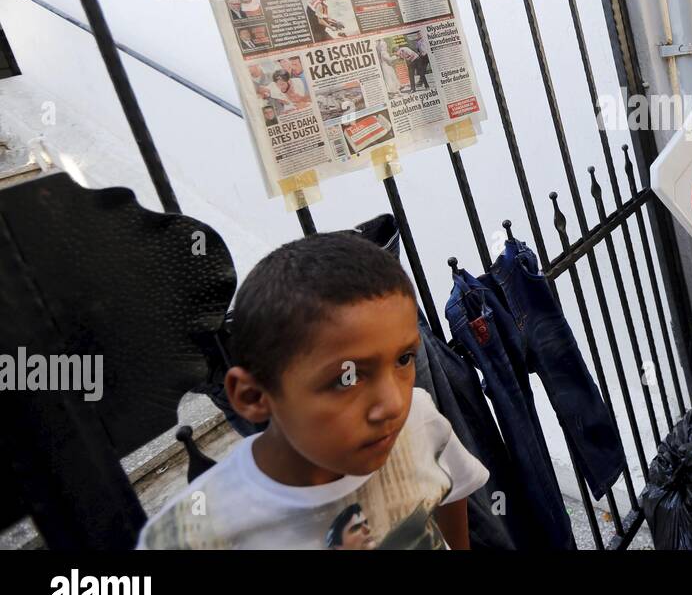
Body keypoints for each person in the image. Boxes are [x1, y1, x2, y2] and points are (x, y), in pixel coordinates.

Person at [137, 233, 489, 549]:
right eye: (347, 378)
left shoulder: (420, 418)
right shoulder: (189, 534)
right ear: (252, 396)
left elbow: (448, 491)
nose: (394, 403)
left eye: (404, 358)